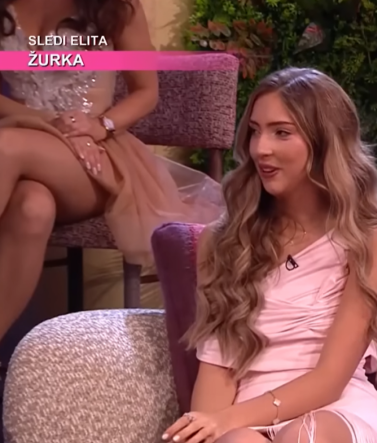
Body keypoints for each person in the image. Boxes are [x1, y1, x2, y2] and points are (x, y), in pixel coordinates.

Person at [159, 67, 377, 443]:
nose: (261, 148)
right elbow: (218, 371)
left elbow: (329, 380)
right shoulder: (223, 243)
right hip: (244, 427)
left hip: (337, 414)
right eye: (255, 131)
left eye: (281, 132)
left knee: (300, 440)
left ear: (324, 142)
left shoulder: (370, 240)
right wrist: (196, 438)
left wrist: (223, 421)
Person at [0, 0, 223, 340]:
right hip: (27, 133)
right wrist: (48, 122)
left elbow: (146, 92)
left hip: (94, 153)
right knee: (33, 207)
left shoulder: (116, 7)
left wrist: (100, 125)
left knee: (5, 147)